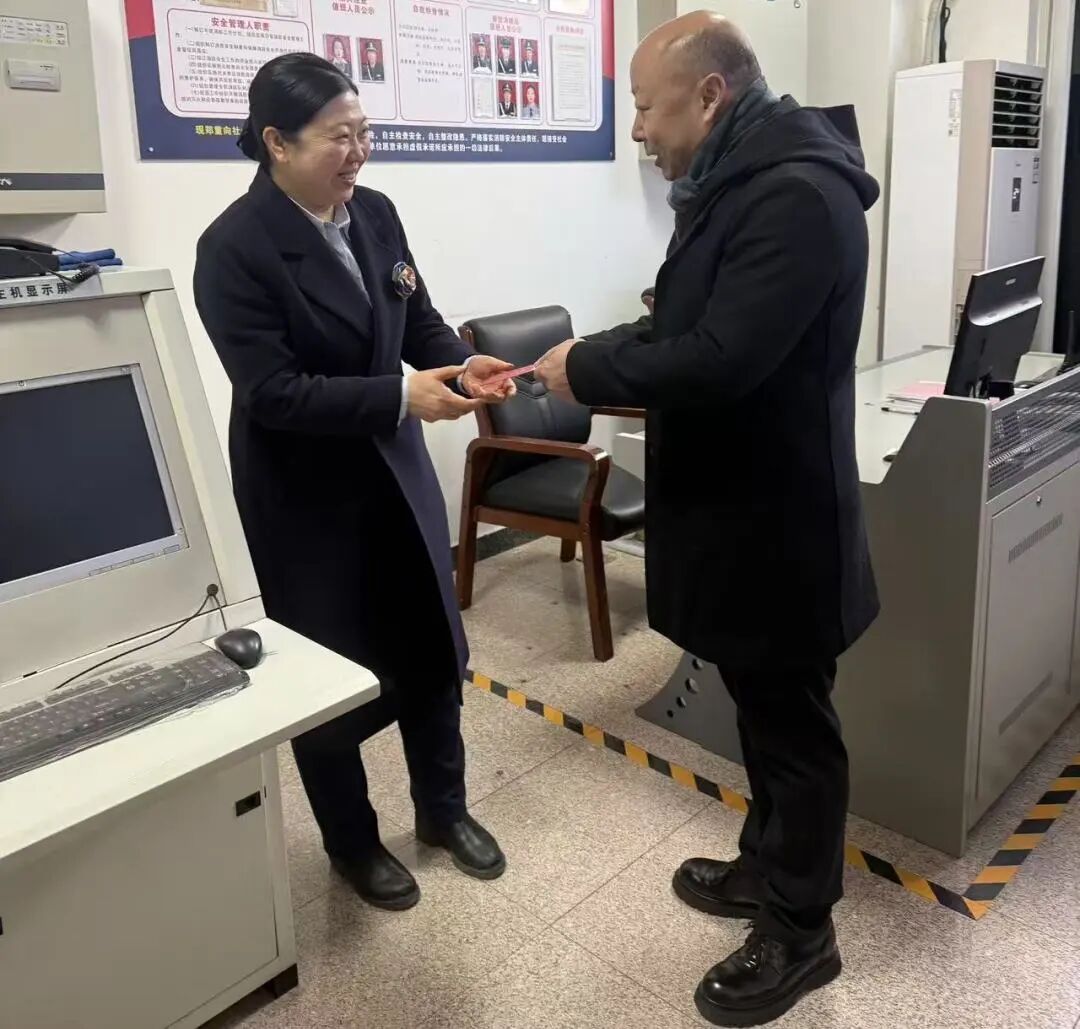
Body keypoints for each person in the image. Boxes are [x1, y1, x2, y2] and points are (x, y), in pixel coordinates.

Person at [535, 12, 880, 1027]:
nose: (640, 131)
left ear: (711, 96)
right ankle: (765, 868)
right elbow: (683, 320)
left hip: (782, 528)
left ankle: (802, 932)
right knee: (763, 719)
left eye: (648, 108)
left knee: (795, 734)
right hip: (741, 515)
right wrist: (592, 349)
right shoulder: (736, 185)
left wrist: (589, 368)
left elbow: (724, 358)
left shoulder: (797, 197)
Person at [194, 53, 517, 913]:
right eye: (339, 137)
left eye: (365, 132)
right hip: (305, 498)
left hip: (395, 475)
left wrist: (460, 364)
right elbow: (273, 392)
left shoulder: (373, 213)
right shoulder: (234, 248)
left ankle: (444, 811)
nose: (359, 152)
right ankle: (353, 843)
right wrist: (398, 397)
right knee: (330, 674)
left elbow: (416, 318)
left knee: (429, 650)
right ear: (277, 142)